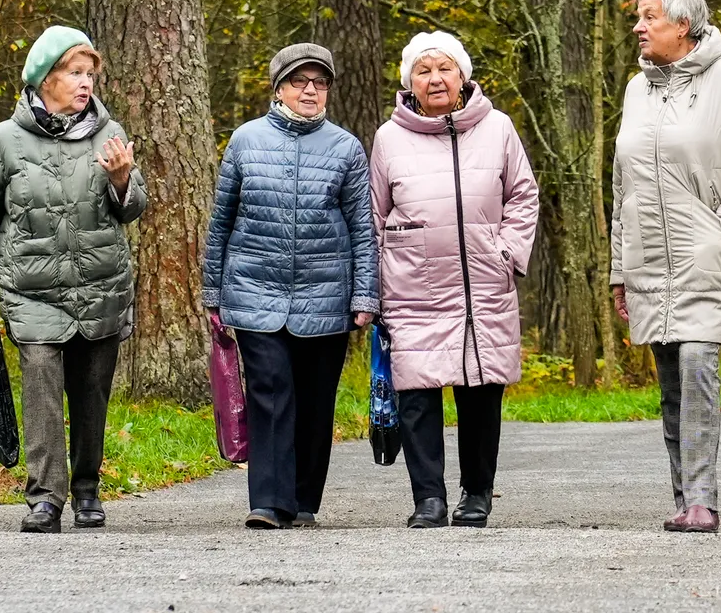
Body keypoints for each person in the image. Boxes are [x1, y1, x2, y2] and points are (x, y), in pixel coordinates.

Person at [609, 0, 721, 534]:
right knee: (670, 381)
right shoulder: (637, 90)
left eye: (649, 17)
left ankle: (704, 500)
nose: (638, 27)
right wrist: (619, 268)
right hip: (648, 261)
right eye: (638, 17)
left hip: (707, 256)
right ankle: (684, 499)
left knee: (695, 366)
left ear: (683, 25)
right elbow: (622, 187)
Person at [0, 25, 148, 533]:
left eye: (90, 74)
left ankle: (87, 486)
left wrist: (121, 179)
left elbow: (134, 209)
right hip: (31, 291)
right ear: (45, 78)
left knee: (92, 394)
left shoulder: (110, 135)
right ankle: (45, 498)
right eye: (74, 73)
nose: (85, 83)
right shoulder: (4, 141)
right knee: (42, 385)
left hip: (99, 287)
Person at [202, 43, 378, 530]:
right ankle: (268, 502)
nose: (310, 89)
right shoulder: (244, 140)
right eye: (300, 80)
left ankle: (302, 501)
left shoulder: (346, 148)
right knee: (270, 390)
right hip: (255, 289)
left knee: (316, 402)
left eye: (319, 82)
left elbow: (363, 227)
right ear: (278, 87)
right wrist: (212, 292)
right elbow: (222, 221)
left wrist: (365, 296)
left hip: (325, 295)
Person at [369, 31, 539, 529]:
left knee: (481, 391)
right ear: (409, 83)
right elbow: (373, 214)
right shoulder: (388, 137)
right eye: (423, 71)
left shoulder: (499, 128)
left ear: (462, 76)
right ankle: (429, 500)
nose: (435, 78)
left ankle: (477, 495)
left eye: (444, 68)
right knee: (417, 395)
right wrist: (380, 275)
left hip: (484, 283)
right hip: (412, 285)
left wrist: (505, 254)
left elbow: (523, 198)